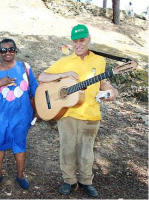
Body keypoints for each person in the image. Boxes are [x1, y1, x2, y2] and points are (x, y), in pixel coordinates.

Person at [38, 24, 118, 197]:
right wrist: (62, 75)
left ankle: (86, 181)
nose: (78, 44)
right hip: (67, 113)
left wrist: (110, 90)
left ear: (88, 39)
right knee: (67, 149)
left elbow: (102, 82)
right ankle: (69, 180)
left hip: (91, 113)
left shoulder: (99, 61)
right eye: (75, 41)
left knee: (86, 151)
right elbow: (42, 77)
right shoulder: (65, 62)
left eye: (82, 40)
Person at [0, 38, 39, 190]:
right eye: (4, 50)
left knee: (20, 145)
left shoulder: (24, 68)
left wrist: (37, 111)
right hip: (0, 117)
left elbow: (35, 90)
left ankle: (21, 175)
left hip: (21, 115)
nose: (8, 52)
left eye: (11, 49)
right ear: (0, 52)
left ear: (15, 50)